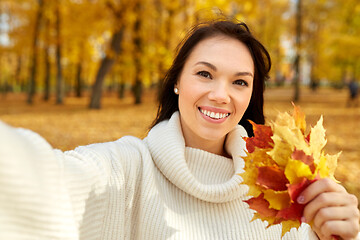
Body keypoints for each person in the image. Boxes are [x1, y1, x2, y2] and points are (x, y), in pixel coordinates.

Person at [0, 19, 359, 240]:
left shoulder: (288, 185)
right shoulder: (128, 168)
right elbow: (45, 180)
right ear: (176, 83)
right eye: (205, 74)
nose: (220, 95)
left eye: (239, 82)